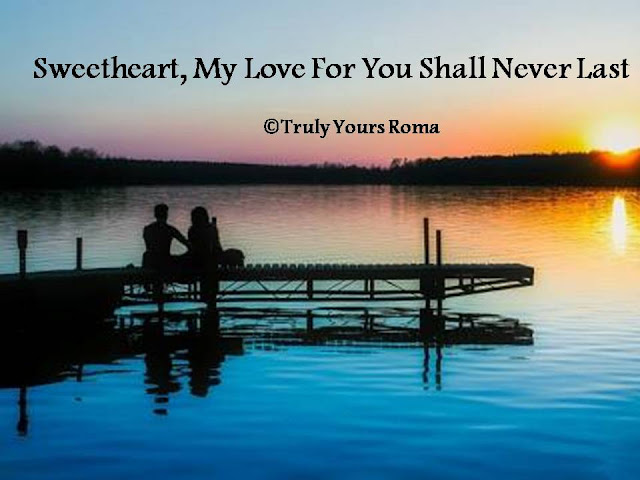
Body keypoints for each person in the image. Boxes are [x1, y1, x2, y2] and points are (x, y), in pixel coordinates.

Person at [142, 203, 189, 271]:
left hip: (149, 260)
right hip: (164, 261)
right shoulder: (170, 230)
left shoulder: (147, 229)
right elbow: (186, 243)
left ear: (155, 215)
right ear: (166, 215)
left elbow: (148, 246)